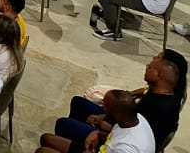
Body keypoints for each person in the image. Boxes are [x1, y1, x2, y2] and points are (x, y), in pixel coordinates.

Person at [41, 50, 185, 153]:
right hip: (113, 133)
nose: (146, 68)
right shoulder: (157, 91)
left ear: (159, 75)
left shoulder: (157, 110)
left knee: (63, 125)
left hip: (112, 138)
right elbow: (126, 123)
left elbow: (128, 129)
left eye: (149, 67)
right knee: (79, 103)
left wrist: (104, 127)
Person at [37, 90, 157, 153]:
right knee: (46, 138)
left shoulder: (126, 149)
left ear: (116, 113)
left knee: (43, 151)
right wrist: (99, 134)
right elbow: (115, 136)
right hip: (99, 149)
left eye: (106, 107)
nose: (103, 108)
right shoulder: (134, 119)